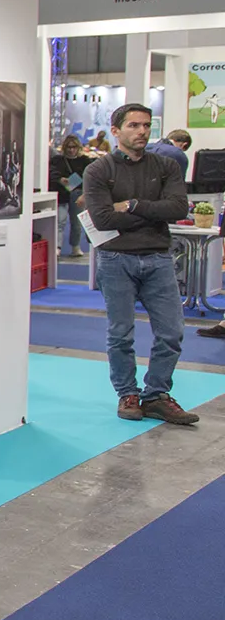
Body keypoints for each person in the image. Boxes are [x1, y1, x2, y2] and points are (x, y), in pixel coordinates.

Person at [82, 103, 198, 425]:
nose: (142, 132)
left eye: (146, 125)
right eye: (133, 125)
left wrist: (132, 205)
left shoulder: (166, 166)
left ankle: (156, 394)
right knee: (121, 334)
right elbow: (103, 219)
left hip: (159, 259)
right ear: (116, 130)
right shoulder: (99, 170)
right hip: (115, 260)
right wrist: (151, 214)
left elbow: (177, 208)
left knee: (172, 331)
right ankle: (127, 393)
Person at [50, 135, 94, 256]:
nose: (71, 150)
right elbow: (52, 174)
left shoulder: (85, 161)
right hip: (61, 194)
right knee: (60, 221)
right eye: (68, 147)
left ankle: (75, 246)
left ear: (78, 147)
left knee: (77, 223)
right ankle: (57, 247)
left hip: (78, 194)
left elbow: (88, 178)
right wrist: (59, 180)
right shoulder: (57, 160)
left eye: (73, 147)